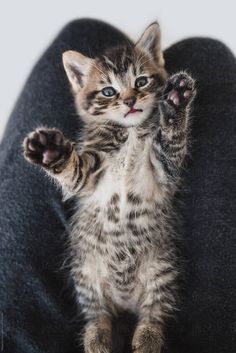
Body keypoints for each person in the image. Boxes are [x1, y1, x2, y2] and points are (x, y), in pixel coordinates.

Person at [0, 19, 235, 353]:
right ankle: (110, 321)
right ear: (81, 85)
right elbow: (86, 177)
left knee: (82, 30)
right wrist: (68, 164)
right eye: (109, 91)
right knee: (208, 54)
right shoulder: (101, 135)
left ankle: (124, 323)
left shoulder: (131, 125)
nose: (129, 98)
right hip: (134, 263)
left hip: (125, 261)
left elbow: (93, 177)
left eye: (140, 83)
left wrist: (62, 161)